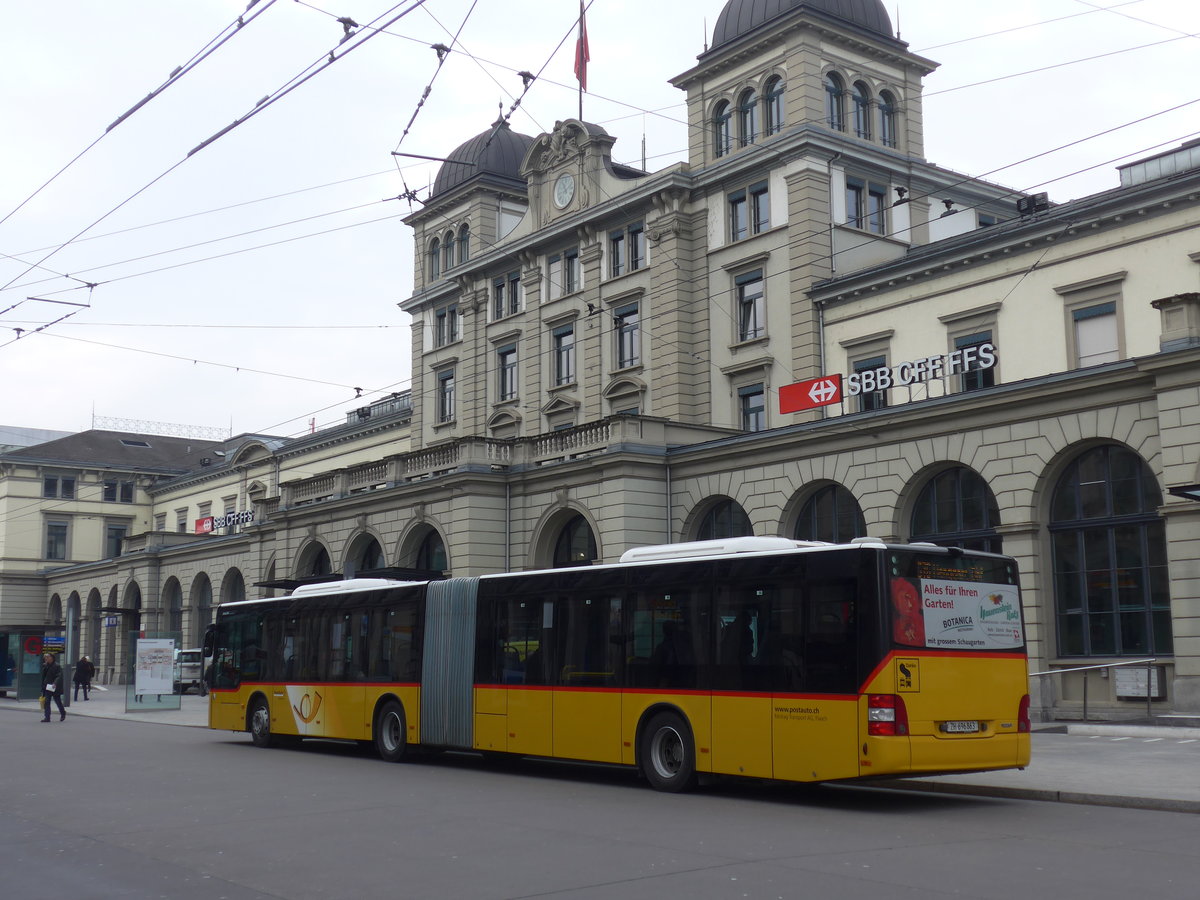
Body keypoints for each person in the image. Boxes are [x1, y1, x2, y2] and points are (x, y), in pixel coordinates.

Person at [41, 652, 65, 722]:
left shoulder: (57, 666)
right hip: (47, 686)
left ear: (52, 658)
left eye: (47, 657)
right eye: (45, 657)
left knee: (58, 701)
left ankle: (63, 713)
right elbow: (44, 677)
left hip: (54, 687)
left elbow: (59, 676)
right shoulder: (46, 665)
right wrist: (43, 686)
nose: (46, 658)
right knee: (47, 702)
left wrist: (55, 683)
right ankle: (47, 717)